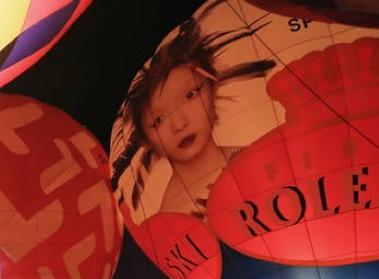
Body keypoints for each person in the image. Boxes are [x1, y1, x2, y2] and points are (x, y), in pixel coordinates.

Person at [111, 1, 275, 223]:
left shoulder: (264, 154)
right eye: (158, 120)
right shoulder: (172, 218)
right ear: (146, 139)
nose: (179, 124)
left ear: (212, 88)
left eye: (189, 95)